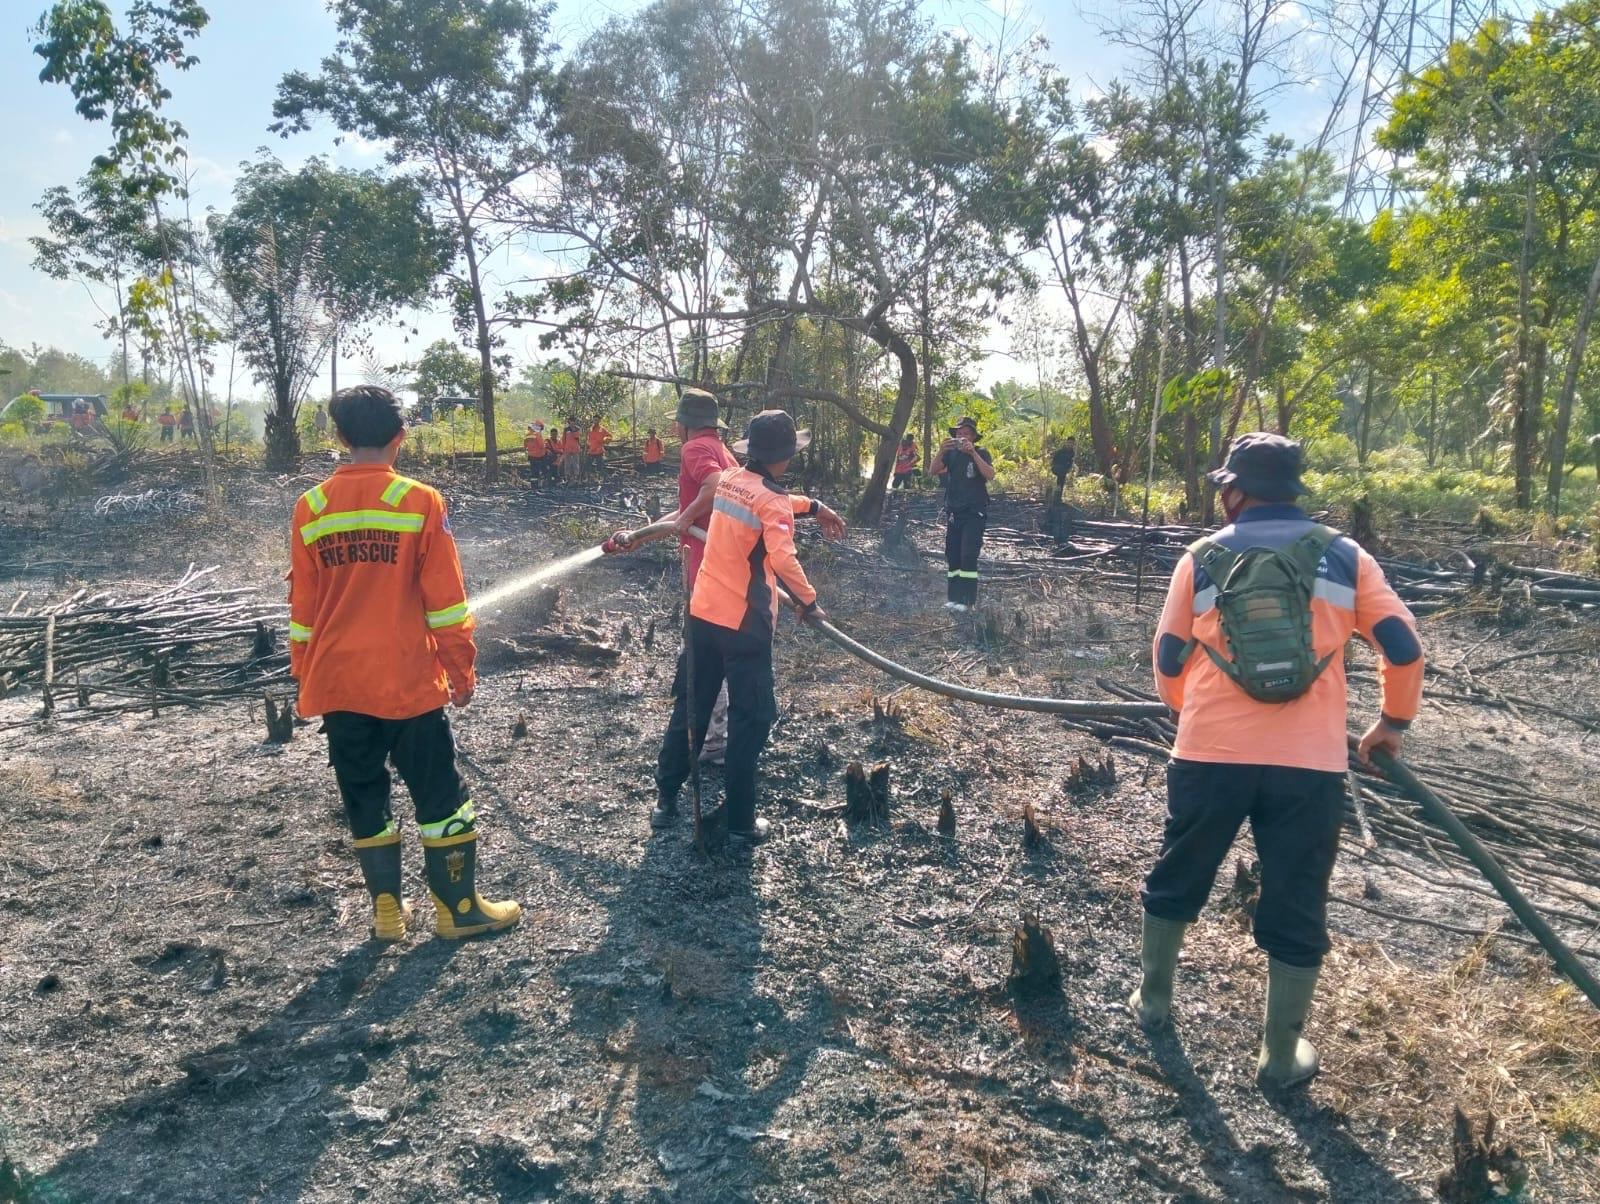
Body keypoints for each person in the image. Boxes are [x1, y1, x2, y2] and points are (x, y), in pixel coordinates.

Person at [1132, 432, 1423, 1089]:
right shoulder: (1345, 557)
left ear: (1237, 492)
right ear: (1291, 491)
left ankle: (1153, 1002)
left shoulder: (1201, 558)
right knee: (1296, 899)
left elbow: (1167, 661)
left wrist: (1192, 711)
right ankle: (1279, 1056)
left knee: (1181, 870)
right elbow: (1404, 649)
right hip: (1310, 765)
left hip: (1209, 753)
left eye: (1224, 488)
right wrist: (1392, 723)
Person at [288, 385, 521, 942]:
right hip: (408, 682)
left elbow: (303, 611)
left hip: (341, 682)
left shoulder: (311, 508)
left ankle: (388, 914)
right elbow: (446, 603)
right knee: (440, 795)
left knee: (364, 792)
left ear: (340, 438)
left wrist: (305, 673)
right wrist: (461, 669)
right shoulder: (419, 502)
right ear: (401, 437)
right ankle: (458, 910)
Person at [654, 410, 829, 847]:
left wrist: (815, 507)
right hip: (743, 625)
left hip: (703, 613)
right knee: (751, 718)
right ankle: (740, 823)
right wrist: (808, 602)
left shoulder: (731, 479)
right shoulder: (768, 498)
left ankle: (665, 797)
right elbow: (783, 556)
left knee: (692, 707)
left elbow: (773, 502)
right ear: (786, 456)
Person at [931, 417, 995, 611]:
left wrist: (973, 453)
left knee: (968, 554)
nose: (961, 436)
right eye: (959, 433)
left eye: (966, 433)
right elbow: (932, 471)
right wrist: (942, 450)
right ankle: (954, 598)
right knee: (953, 554)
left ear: (973, 437)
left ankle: (967, 601)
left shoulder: (981, 452)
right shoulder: (950, 455)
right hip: (954, 511)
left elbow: (990, 475)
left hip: (974, 511)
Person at [1050, 436, 1076, 503]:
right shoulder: (1060, 451)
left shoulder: (1072, 453)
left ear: (1073, 444)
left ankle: (1058, 497)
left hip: (1064, 470)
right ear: (1066, 442)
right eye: (1069, 442)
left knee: (1062, 480)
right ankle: (1057, 495)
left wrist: (1070, 468)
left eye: (1072, 443)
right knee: (1060, 479)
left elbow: (1071, 463)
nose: (1070, 444)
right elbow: (1054, 461)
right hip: (1057, 468)